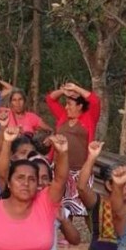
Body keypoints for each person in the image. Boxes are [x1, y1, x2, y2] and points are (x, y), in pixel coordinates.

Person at [45, 83, 100, 216]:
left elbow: (95, 101)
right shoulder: (63, 116)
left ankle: (94, 233)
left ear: (80, 106)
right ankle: (66, 235)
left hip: (80, 171)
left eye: (69, 104)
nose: (66, 107)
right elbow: (50, 99)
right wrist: (64, 91)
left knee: (86, 207)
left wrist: (76, 88)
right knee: (62, 207)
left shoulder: (89, 118)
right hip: (60, 169)